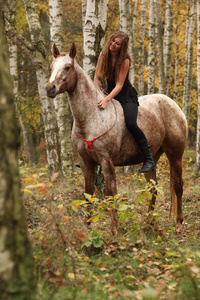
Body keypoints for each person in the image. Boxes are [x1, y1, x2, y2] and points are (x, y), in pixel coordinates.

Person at [94, 31, 155, 173]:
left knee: (131, 123)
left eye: (117, 43)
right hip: (108, 94)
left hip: (126, 96)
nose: (113, 44)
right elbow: (97, 77)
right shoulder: (103, 55)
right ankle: (87, 156)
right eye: (112, 41)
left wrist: (107, 99)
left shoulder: (125, 59)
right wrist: (99, 95)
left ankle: (149, 159)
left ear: (122, 47)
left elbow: (119, 85)